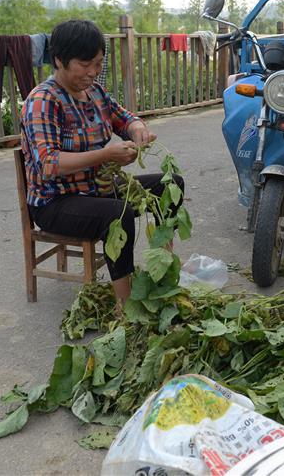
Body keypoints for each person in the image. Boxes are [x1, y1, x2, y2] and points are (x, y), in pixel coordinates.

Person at [20, 20, 184, 303]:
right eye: (85, 64)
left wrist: (138, 131)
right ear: (58, 60)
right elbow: (49, 164)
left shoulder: (95, 93)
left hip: (99, 190)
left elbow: (125, 118)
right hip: (56, 202)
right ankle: (126, 305)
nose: (93, 73)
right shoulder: (43, 100)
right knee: (114, 214)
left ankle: (164, 271)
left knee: (170, 184)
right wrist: (108, 155)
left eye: (97, 64)